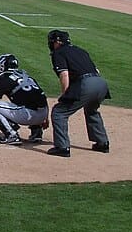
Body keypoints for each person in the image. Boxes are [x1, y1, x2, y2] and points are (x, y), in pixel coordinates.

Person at [45, 29, 111, 157]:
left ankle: (62, 147)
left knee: (59, 112)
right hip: (101, 83)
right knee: (91, 110)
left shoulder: (58, 53)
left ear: (57, 42)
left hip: (86, 84)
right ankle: (102, 143)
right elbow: (96, 69)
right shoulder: (81, 50)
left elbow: (64, 74)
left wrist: (65, 96)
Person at [0, 53, 49, 145]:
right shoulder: (27, 77)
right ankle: (36, 133)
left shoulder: (4, 79)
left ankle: (11, 135)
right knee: (27, 99)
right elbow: (42, 96)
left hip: (28, 116)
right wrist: (45, 118)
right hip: (43, 115)